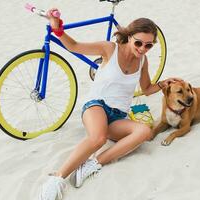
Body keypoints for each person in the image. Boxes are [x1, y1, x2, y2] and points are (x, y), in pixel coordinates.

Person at [39, 8, 180, 200]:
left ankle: (93, 164)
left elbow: (147, 89)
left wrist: (163, 84)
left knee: (145, 132)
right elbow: (74, 46)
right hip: (96, 106)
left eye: (148, 46)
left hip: (118, 116)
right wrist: (58, 29)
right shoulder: (109, 49)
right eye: (138, 43)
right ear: (129, 37)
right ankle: (57, 178)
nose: (142, 49)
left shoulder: (142, 61)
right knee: (98, 138)